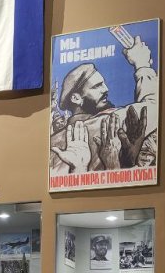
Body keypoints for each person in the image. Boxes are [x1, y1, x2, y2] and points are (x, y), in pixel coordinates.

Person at [49, 35, 158, 175]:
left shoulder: (53, 141)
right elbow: (154, 108)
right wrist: (142, 64)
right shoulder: (109, 122)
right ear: (76, 98)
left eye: (103, 84)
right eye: (97, 86)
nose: (106, 89)